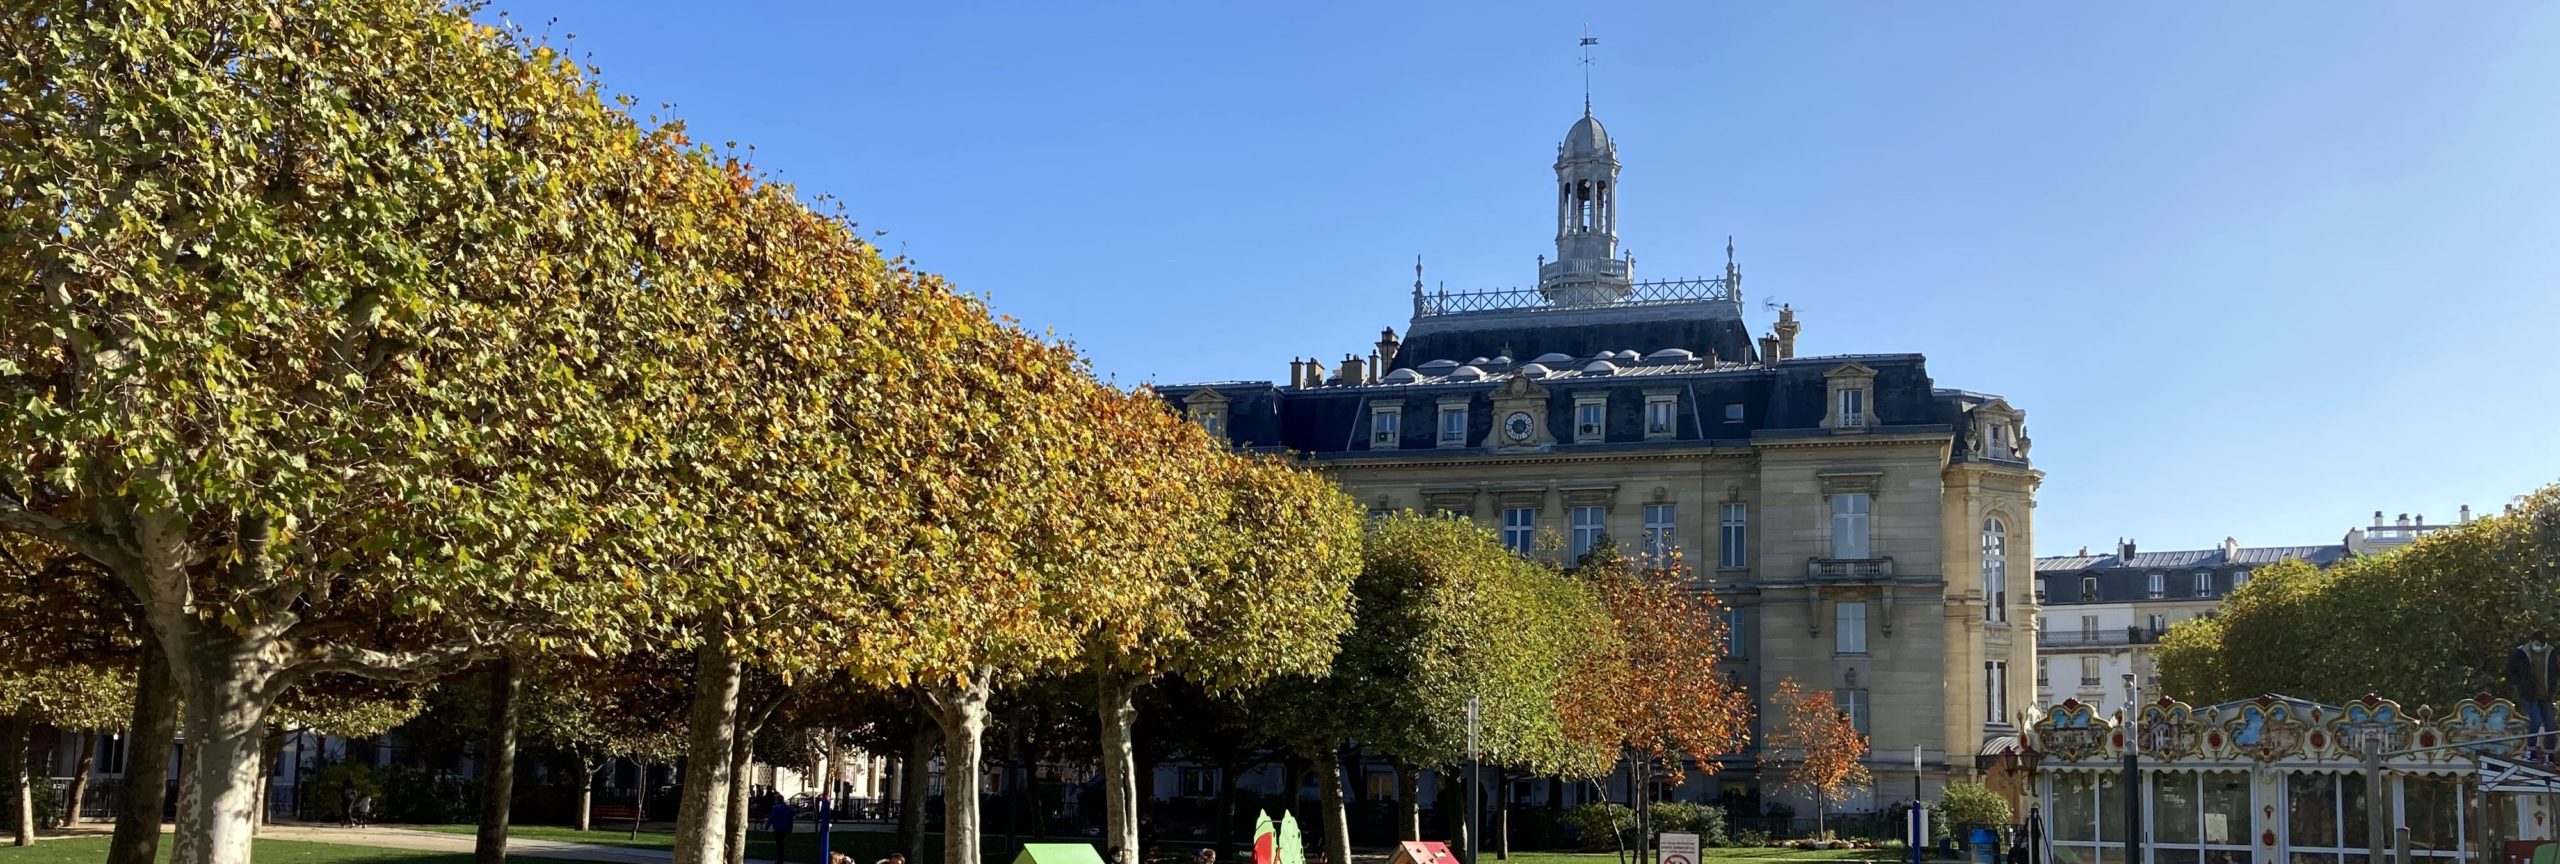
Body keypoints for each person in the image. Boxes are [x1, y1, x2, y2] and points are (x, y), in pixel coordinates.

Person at [2511, 632, 2560, 761]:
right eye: (2538, 644)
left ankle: (2550, 754)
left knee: (2551, 725)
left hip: (2547, 694)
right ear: (2531, 642)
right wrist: (2521, 684)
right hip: (2530, 694)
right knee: (2536, 720)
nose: (2540, 647)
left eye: (2543, 644)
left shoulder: (2552, 652)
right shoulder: (2521, 653)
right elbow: (2511, 670)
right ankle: (2530, 750)